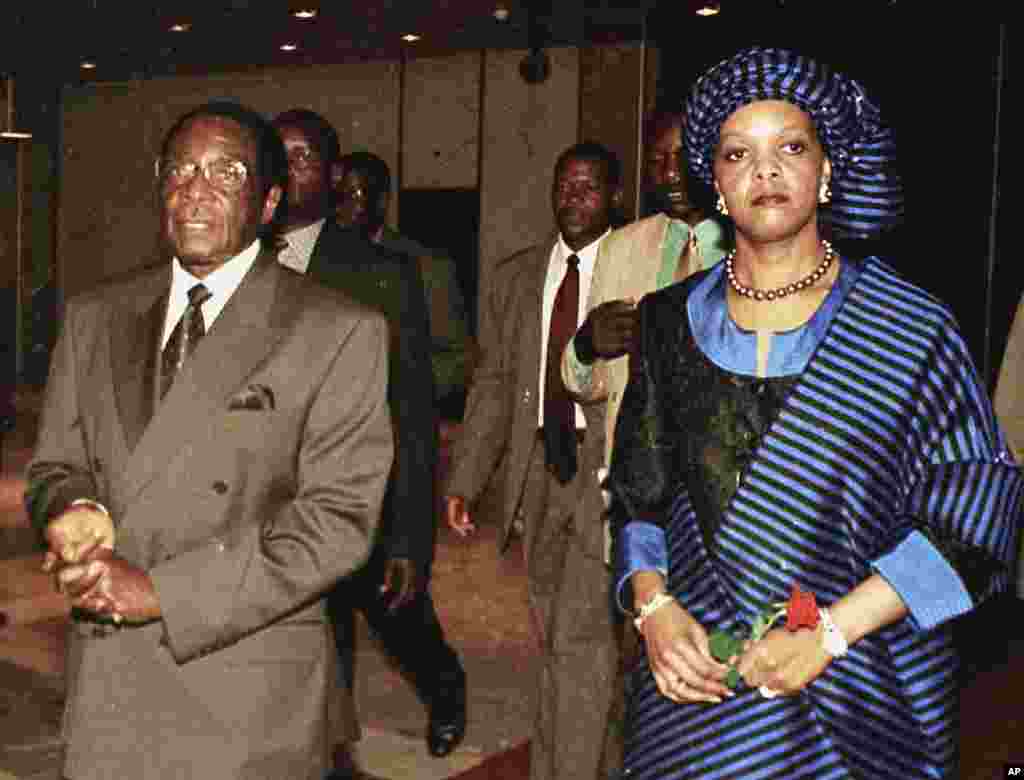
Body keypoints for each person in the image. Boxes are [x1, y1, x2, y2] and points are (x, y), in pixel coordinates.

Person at [608, 47, 1022, 780]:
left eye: (791, 147)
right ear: (716, 183)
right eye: (739, 153)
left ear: (828, 172)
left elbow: (974, 514)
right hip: (703, 683)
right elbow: (639, 492)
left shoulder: (908, 327)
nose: (765, 171)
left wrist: (829, 634)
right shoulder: (668, 321)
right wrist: (654, 611)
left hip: (865, 688)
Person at [24, 101, 393, 780]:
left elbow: (337, 521)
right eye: (182, 170)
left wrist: (165, 593)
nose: (197, 191)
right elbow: (56, 463)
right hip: (109, 687)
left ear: (268, 201)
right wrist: (71, 508)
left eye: (226, 173)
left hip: (244, 691)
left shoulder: (335, 329)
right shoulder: (94, 317)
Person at [272, 109, 466, 772]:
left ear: (329, 175)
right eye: (275, 154)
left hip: (363, 503)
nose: (285, 166)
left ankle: (446, 689)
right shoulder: (237, 264)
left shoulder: (380, 271)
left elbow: (410, 409)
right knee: (314, 658)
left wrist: (412, 536)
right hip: (271, 514)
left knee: (401, 624)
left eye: (301, 157)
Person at [444, 142, 623, 780]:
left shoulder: (632, 270)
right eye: (564, 186)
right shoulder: (518, 274)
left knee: (581, 636)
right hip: (539, 470)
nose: (573, 199)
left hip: (605, 473)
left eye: (589, 188)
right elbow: (494, 381)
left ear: (615, 198)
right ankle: (588, 761)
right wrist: (466, 476)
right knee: (556, 637)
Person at [561, 109, 730, 555]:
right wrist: (584, 347)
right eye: (656, 160)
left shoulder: (749, 246)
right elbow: (593, 388)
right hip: (641, 492)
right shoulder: (621, 248)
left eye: (682, 157)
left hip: (727, 497)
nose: (670, 172)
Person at [334, 151, 472, 408]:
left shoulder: (425, 267)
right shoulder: (316, 261)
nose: (340, 208)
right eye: (335, 197)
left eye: (353, 195)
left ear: (382, 202)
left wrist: (394, 388)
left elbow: (459, 361)